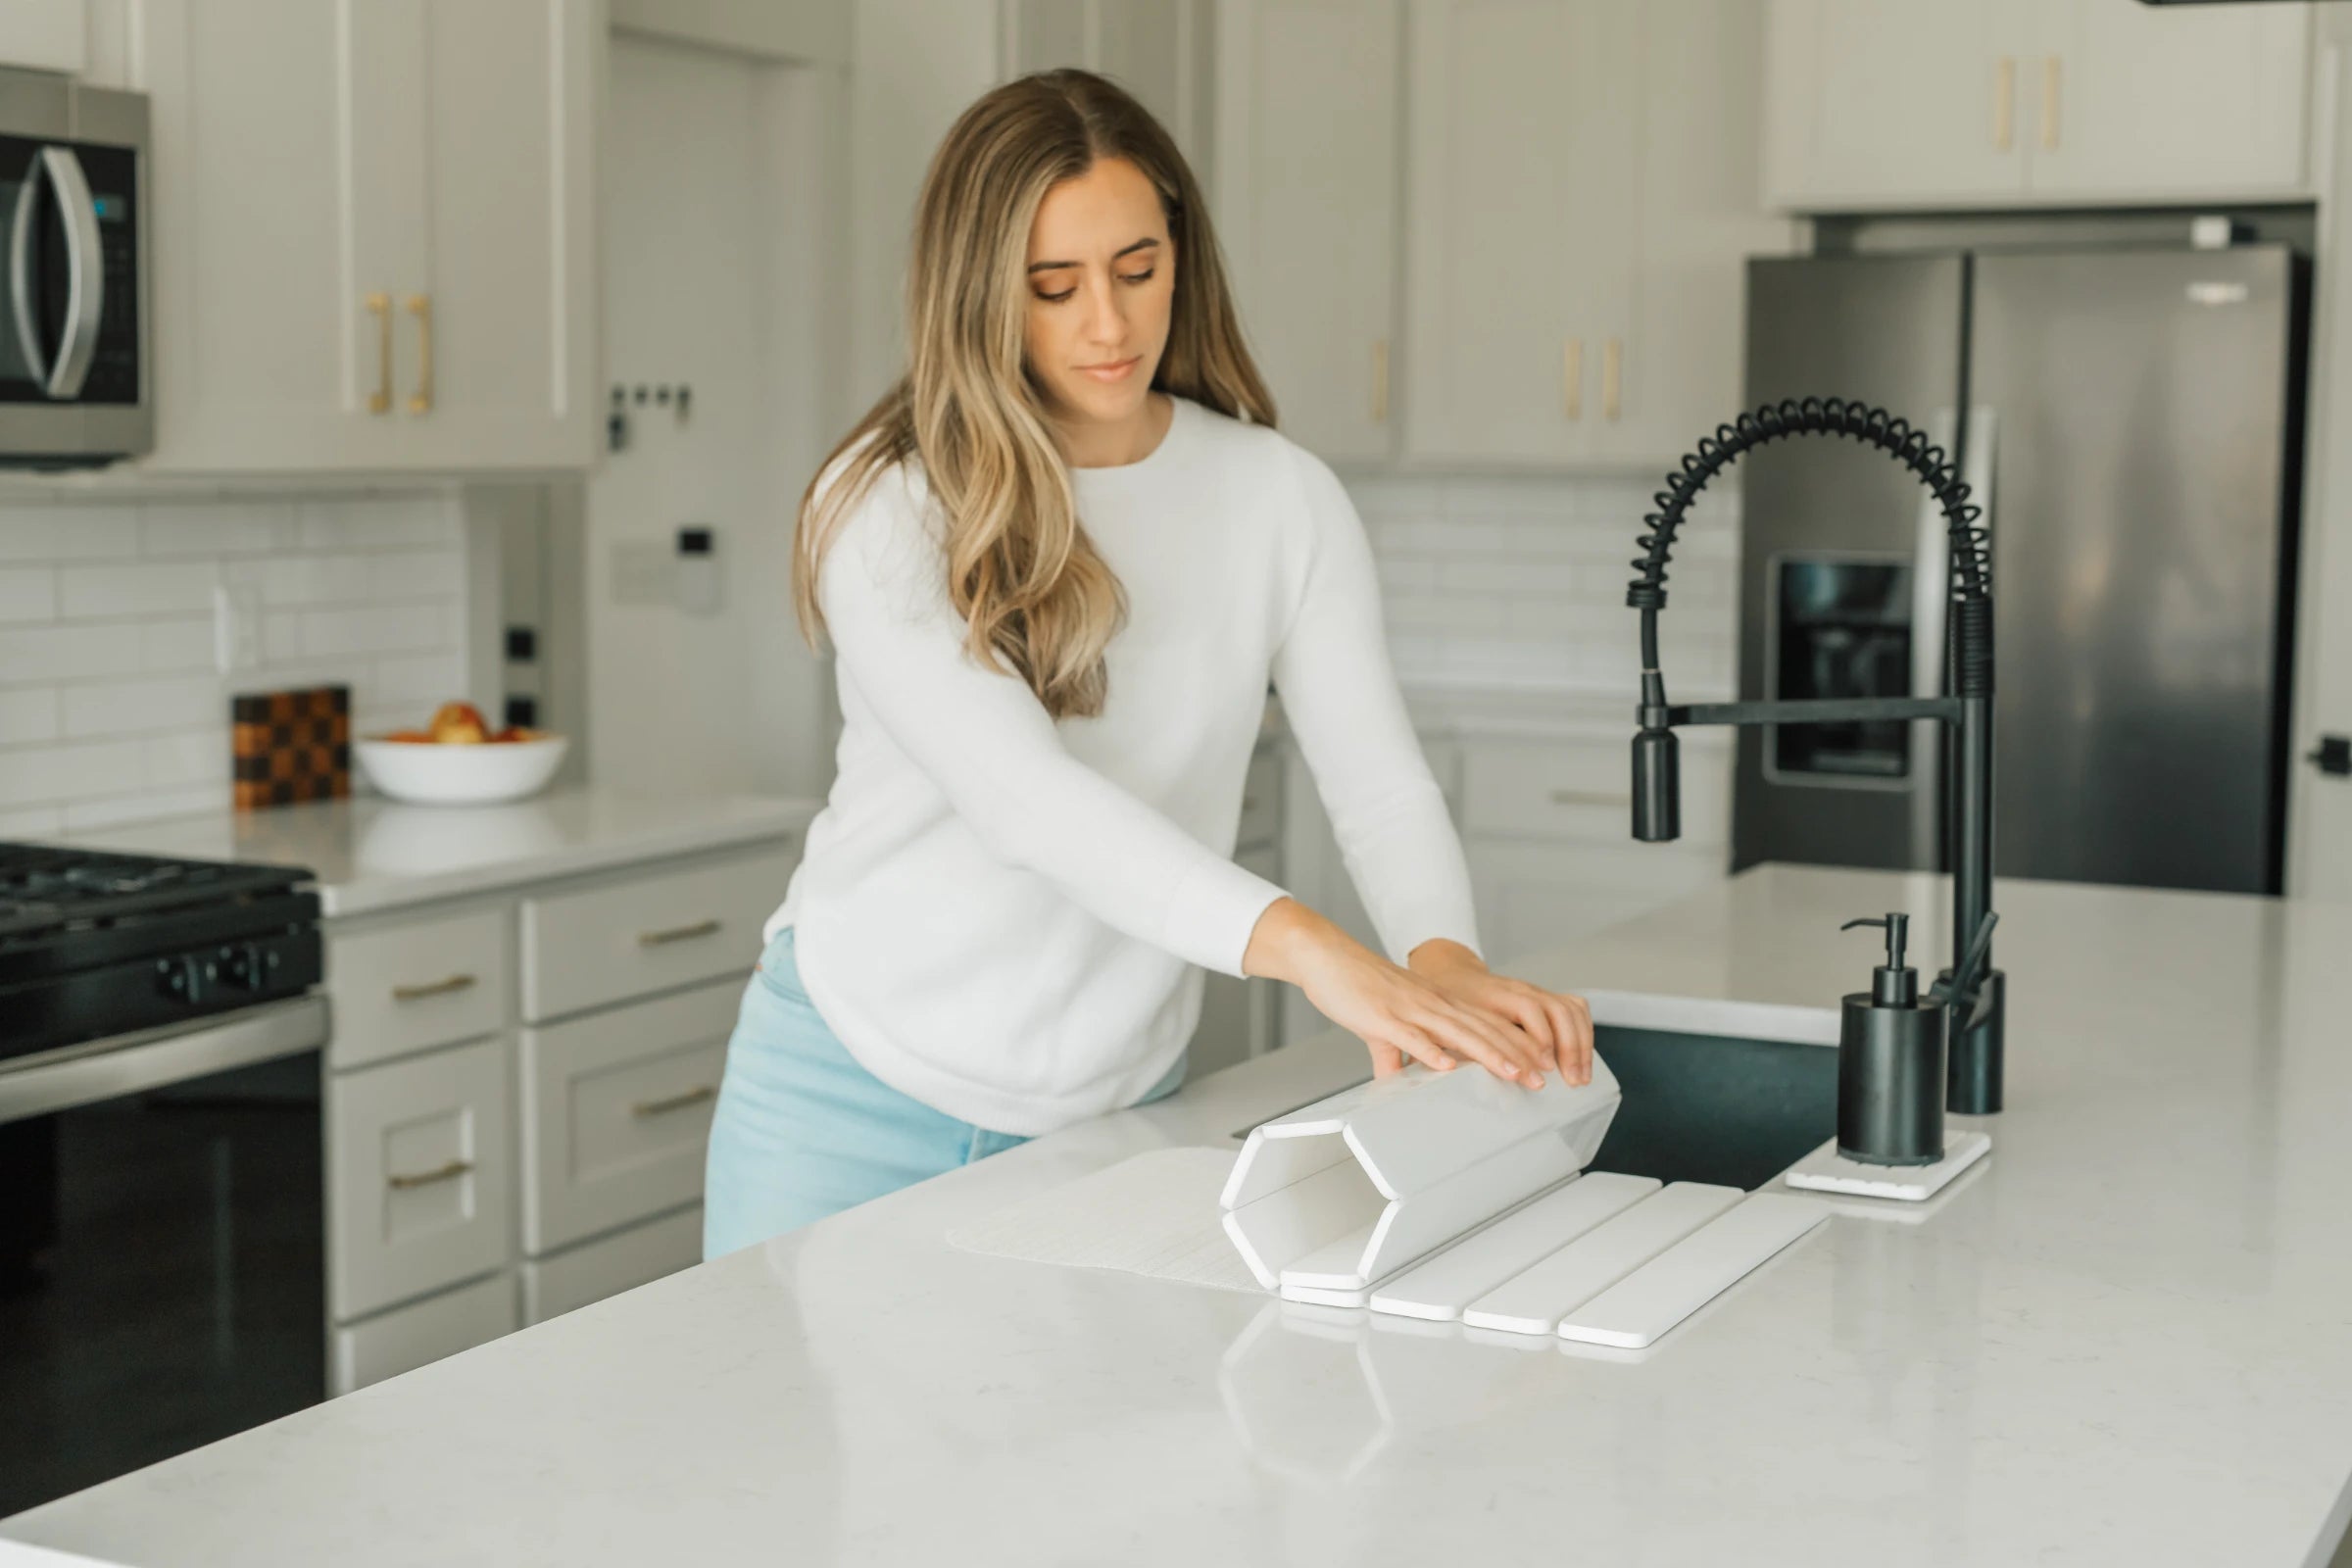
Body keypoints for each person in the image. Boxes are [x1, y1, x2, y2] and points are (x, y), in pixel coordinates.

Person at [702, 69, 1594, 1259]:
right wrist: (1318, 955)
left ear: (1182, 252)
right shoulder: (887, 501)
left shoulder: (1281, 497)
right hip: (845, 1096)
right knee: (772, 1450)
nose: (1108, 325)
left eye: (1136, 268)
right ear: (977, 296)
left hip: (1114, 1109)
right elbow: (1032, 805)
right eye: (1053, 288)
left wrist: (1442, 958)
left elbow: (1377, 784)